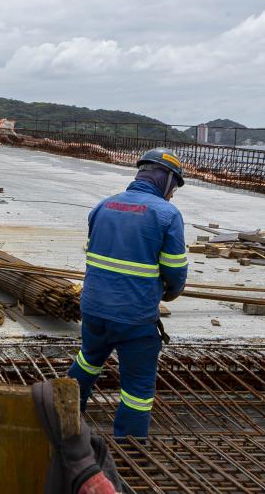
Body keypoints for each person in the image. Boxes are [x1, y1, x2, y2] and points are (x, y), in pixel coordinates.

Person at [68, 148, 188, 439]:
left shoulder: (103, 205)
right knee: (137, 388)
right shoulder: (166, 214)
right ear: (166, 179)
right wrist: (171, 293)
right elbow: (175, 270)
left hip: (94, 309)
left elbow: (94, 251)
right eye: (174, 187)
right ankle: (129, 447)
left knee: (88, 360)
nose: (173, 194)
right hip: (134, 317)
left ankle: (63, 418)